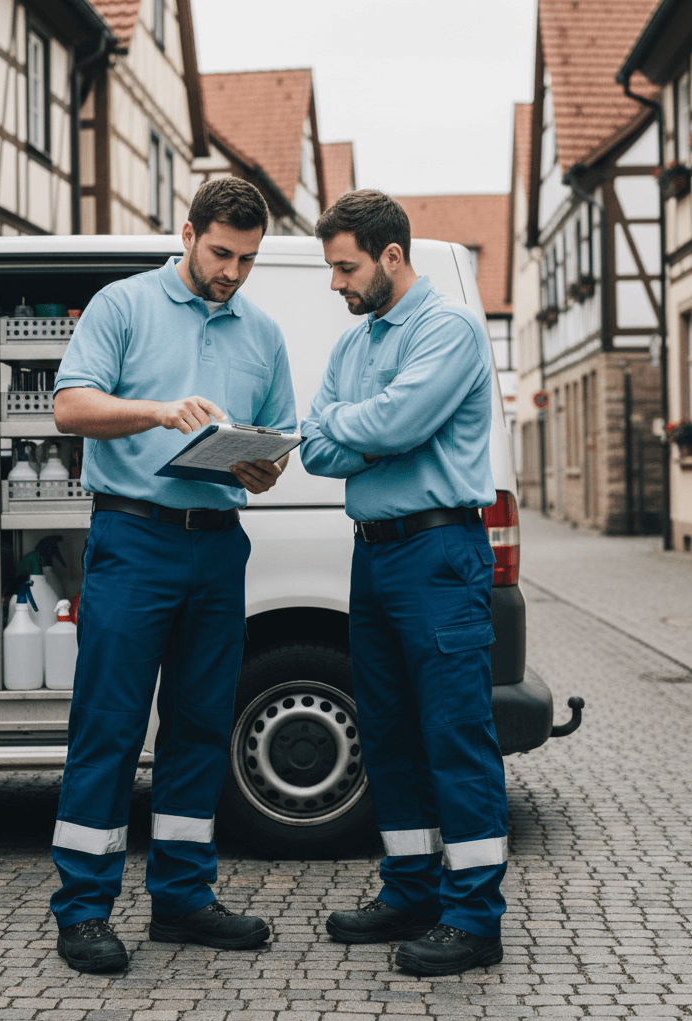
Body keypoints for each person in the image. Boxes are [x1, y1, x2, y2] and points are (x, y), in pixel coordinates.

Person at [49, 177, 296, 974]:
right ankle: (84, 912)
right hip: (134, 536)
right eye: (222, 252)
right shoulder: (122, 306)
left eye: (248, 259)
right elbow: (71, 407)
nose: (232, 271)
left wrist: (259, 473)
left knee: (198, 728)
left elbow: (274, 441)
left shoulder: (262, 332)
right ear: (187, 233)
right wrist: (157, 410)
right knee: (109, 726)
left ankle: (184, 901)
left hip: (218, 544)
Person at [300, 189, 508, 977]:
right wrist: (369, 428)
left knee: (454, 735)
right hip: (375, 555)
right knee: (386, 733)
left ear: (391, 256)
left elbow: (392, 426)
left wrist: (365, 429)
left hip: (436, 555)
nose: (335, 285)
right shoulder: (355, 346)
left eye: (345, 267)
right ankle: (411, 889)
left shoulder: (448, 328)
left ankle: (473, 920)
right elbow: (314, 446)